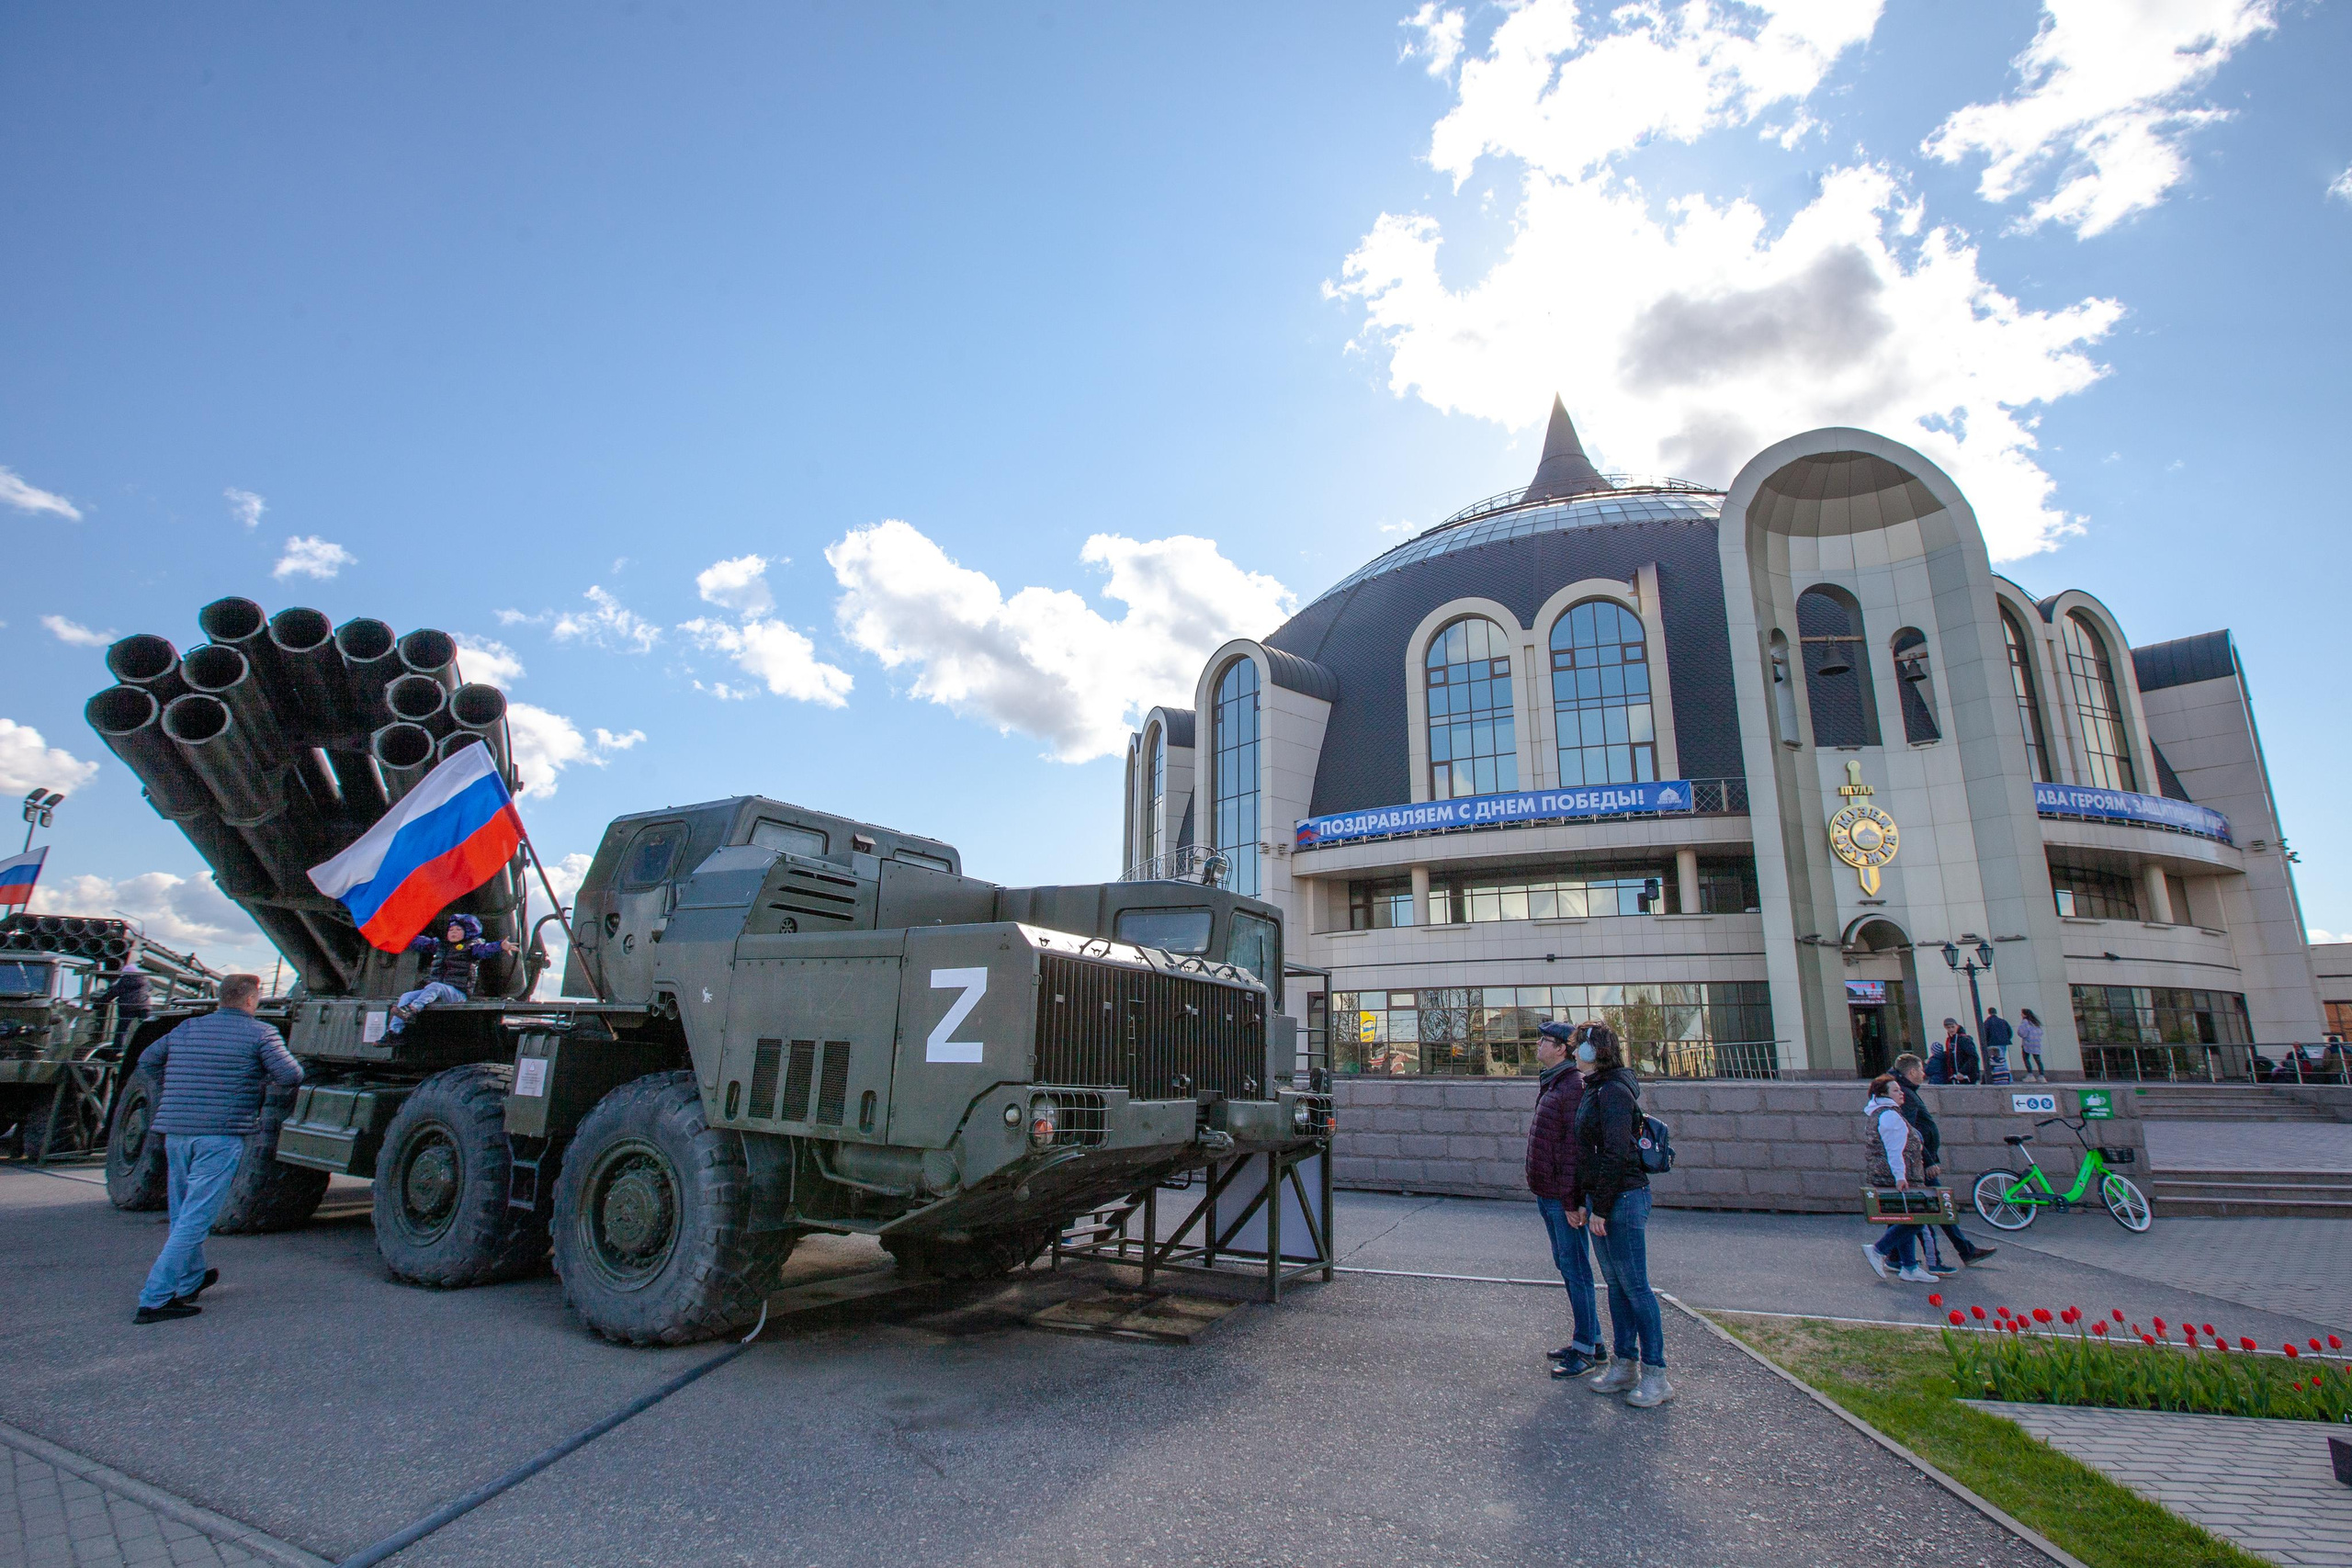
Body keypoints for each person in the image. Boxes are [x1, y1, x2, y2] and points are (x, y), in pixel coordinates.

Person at [132, 974, 302, 1324]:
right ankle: (155, 1299)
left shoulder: (187, 1028)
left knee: (183, 1211)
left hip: (177, 1131)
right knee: (195, 1218)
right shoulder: (261, 1033)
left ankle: (190, 1280)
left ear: (219, 997)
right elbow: (291, 1075)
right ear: (252, 1000)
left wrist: (174, 1088)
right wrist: (255, 1081)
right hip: (220, 1134)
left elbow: (147, 1060)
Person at [1569, 1024, 1671, 1408]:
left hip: (1623, 1199)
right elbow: (1587, 1153)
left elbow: (1614, 1153)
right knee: (1615, 1285)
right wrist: (1583, 1200)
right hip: (1604, 1199)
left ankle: (1656, 1375)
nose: (1574, 1051)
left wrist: (1603, 1209)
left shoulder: (1612, 1091)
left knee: (1635, 1287)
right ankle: (1624, 1365)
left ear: (1595, 1051)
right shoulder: (1595, 1088)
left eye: (1579, 1046)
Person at [1525, 1021, 1603, 1379]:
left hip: (1562, 1198)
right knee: (1568, 1266)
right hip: (1550, 1194)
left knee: (1575, 1269)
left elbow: (1573, 1151)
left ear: (1561, 1049)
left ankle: (1585, 1347)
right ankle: (1593, 1341)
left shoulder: (1571, 1086)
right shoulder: (1555, 1082)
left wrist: (1573, 1202)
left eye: (1543, 1041)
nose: (1537, 1045)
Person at [1892, 1052, 1996, 1270]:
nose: (1924, 1073)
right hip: (1920, 1165)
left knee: (1910, 1210)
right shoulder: (1907, 1095)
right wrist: (1928, 1161)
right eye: (1920, 1070)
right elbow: (1910, 1133)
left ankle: (1893, 1255)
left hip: (1918, 1162)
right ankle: (1952, 1254)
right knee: (1937, 1207)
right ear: (1911, 1072)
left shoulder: (1907, 1092)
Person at [1861, 1074, 1939, 1285]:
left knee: (1905, 1219)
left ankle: (1909, 1267)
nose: (1901, 1092)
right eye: (1895, 1090)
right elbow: (1894, 1149)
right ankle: (1878, 1250)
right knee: (1918, 1219)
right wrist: (1900, 1176)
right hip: (1897, 1176)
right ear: (1884, 1094)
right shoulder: (1890, 1116)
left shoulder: (1881, 1114)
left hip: (1890, 1175)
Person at [387, 914, 516, 1035]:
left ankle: (412, 1010)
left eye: (458, 930)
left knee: (435, 986)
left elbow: (486, 949)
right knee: (406, 996)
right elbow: (421, 943)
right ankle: (394, 1032)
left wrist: (500, 946)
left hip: (457, 994)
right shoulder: (441, 946)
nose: (453, 932)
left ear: (467, 932)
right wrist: (402, 934)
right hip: (437, 992)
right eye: (451, 930)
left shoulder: (472, 948)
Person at [91, 963, 152, 1057]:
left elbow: (111, 994)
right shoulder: (145, 980)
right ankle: (148, 1048)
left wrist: (96, 1005)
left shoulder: (123, 982)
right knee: (147, 1028)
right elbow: (150, 988)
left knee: (122, 1030)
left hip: (127, 1008)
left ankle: (117, 1050)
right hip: (143, 1007)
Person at [1937, 1018, 1981, 1085]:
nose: (1951, 1029)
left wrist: (1963, 1071)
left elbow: (1974, 1057)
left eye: (1952, 1027)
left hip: (1965, 1076)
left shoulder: (1964, 1039)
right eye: (1948, 1027)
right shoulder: (1950, 1040)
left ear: (1957, 1026)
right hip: (1957, 1075)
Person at [1980, 1009, 2014, 1085]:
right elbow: (2010, 1032)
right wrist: (2006, 1039)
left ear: (1989, 1013)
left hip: (1992, 1043)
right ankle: (2008, 1077)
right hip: (2003, 1043)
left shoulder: (1987, 1022)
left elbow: (1984, 1034)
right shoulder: (2003, 1021)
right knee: (2002, 1059)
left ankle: (2003, 1077)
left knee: (1995, 1061)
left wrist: (1985, 1043)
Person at [2016, 1009, 2047, 1082]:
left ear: (2025, 1014)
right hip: (2037, 1043)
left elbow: (2022, 1033)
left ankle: (2030, 1075)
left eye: (2022, 1013)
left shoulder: (2025, 1022)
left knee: (2026, 1058)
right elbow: (2040, 1032)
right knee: (2038, 1060)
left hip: (2027, 1043)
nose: (2021, 1015)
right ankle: (2041, 1076)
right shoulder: (2035, 1023)